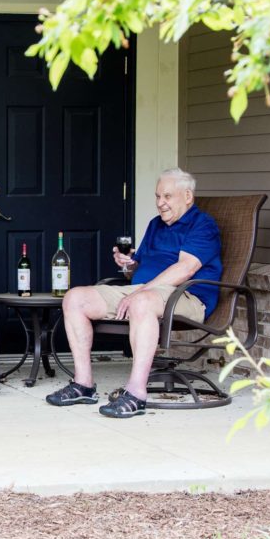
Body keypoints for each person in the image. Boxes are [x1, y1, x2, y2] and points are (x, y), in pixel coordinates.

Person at [45, 168, 222, 418]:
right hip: (143, 292)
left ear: (187, 196)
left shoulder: (203, 225)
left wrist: (140, 291)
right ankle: (83, 384)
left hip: (187, 296)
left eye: (167, 197)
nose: (161, 203)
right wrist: (128, 265)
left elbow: (185, 269)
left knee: (141, 302)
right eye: (158, 196)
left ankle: (136, 393)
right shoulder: (156, 225)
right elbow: (139, 272)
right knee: (75, 298)